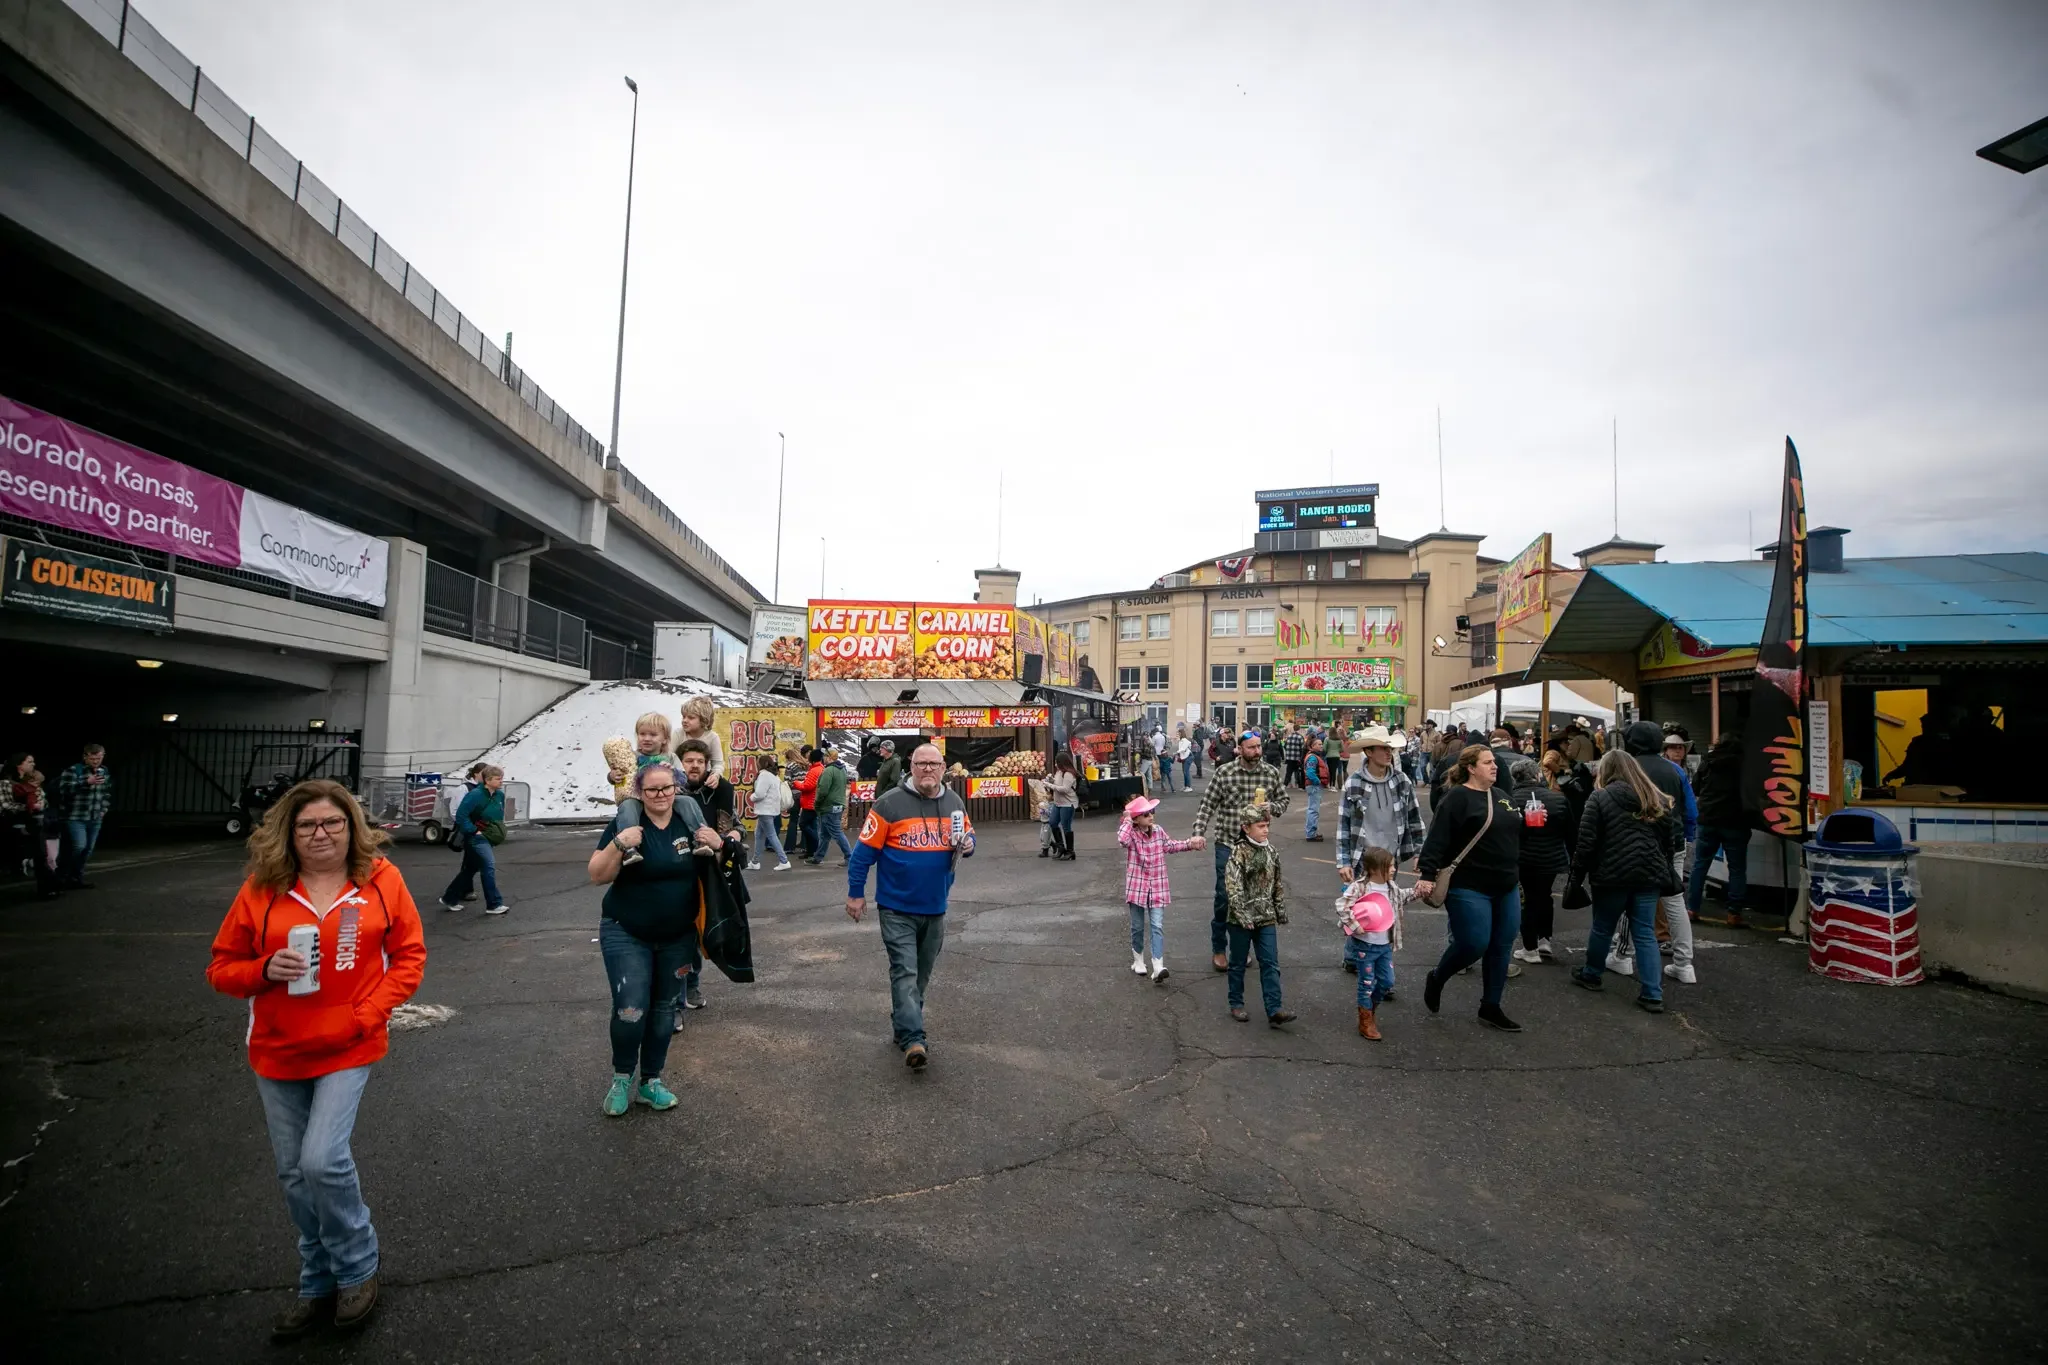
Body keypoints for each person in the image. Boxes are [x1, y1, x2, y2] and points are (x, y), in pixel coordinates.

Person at [206, 779, 426, 1338]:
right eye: (307, 825)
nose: (321, 833)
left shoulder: (380, 881)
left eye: (332, 822)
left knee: (322, 1161)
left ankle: (357, 1267)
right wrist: (261, 971)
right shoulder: (262, 888)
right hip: (278, 1047)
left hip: (349, 1042)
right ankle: (316, 1279)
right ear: (289, 833)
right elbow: (221, 968)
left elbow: (409, 958)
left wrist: (366, 1014)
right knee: (294, 1173)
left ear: (351, 827)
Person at [588, 761, 724, 1114]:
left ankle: (651, 1082)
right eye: (652, 790)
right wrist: (620, 844)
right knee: (631, 1008)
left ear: (676, 788)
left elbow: (720, 869)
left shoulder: (688, 822)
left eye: (667, 788)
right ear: (640, 793)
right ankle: (621, 1079)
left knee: (664, 1010)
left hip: (678, 935)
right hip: (625, 930)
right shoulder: (628, 823)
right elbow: (597, 875)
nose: (661, 795)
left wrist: (720, 843)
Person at [846, 744, 975, 1070]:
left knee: (920, 976)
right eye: (921, 764)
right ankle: (914, 1039)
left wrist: (970, 844)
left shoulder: (954, 803)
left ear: (943, 767)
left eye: (933, 763)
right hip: (896, 907)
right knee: (905, 970)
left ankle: (903, 1024)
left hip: (936, 907)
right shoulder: (888, 804)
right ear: (911, 767)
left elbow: (967, 840)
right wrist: (855, 893)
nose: (927, 769)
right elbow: (862, 854)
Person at [1413, 745, 1524, 1032]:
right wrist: (1427, 873)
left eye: (1495, 762)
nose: (1494, 766)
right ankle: (1437, 978)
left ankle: (1491, 1006)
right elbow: (1437, 838)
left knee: (1501, 946)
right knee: (1474, 943)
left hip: (1506, 884)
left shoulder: (1502, 797)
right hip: (1469, 885)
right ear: (1471, 768)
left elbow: (1512, 833)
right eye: (1487, 762)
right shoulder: (1457, 797)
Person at [1568, 750, 1682, 1013]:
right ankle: (1652, 993)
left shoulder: (1600, 797)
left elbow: (1586, 842)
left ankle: (1592, 973)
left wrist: (1577, 875)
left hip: (1611, 875)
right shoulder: (1657, 799)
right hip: (1648, 875)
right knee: (1645, 933)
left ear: (1606, 771)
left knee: (1602, 926)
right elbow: (1671, 842)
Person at [1190, 731, 1290, 973]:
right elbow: (1207, 805)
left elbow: (1284, 801)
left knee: (1251, 899)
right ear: (1239, 749)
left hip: (1257, 847)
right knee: (1225, 897)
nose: (1257, 752)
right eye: (1251, 748)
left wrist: (1272, 807)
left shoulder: (1270, 773)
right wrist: (1198, 832)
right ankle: (1219, 949)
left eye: (1258, 747)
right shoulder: (1225, 773)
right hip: (1228, 844)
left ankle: (1240, 950)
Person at [1615, 722, 1697, 984]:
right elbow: (1691, 810)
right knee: (1675, 902)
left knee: (1632, 898)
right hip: (1673, 842)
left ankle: (1623, 956)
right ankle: (1684, 965)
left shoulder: (1627, 769)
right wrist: (1687, 835)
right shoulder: (1674, 770)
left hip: (1636, 843)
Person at [675, 738, 749, 1015]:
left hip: (708, 876)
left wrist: (731, 835)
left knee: (699, 937)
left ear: (707, 765)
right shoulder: (668, 789)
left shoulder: (717, 791)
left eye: (699, 762)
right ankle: (675, 998)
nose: (694, 766)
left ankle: (691, 985)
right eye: (689, 761)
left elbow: (737, 825)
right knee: (679, 939)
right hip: (675, 875)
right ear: (679, 763)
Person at [1117, 793, 1205, 982]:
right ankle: (1138, 960)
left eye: (1152, 812)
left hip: (1157, 887)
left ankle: (1158, 966)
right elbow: (1122, 840)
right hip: (1137, 888)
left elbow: (1170, 846)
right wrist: (1126, 819)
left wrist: (1190, 843)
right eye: (1146, 814)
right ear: (1137, 818)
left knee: (1157, 926)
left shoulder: (1158, 831)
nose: (1151, 816)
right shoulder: (1131, 833)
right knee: (1138, 927)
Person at [1222, 803, 1294, 1026]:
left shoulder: (1271, 851)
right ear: (1246, 828)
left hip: (1266, 918)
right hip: (1241, 921)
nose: (1266, 830)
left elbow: (1277, 884)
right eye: (1260, 826)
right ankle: (1236, 1004)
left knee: (1270, 962)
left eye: (1267, 825)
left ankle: (1275, 1009)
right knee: (1237, 963)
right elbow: (1233, 887)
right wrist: (1243, 916)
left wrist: (1280, 911)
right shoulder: (1238, 853)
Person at [1508, 758, 1576, 965]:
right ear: (1537, 775)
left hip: (1522, 858)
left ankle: (1530, 948)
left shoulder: (1509, 799)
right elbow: (1571, 833)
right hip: (1552, 857)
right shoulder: (1558, 799)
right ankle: (1545, 939)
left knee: (1527, 900)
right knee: (1544, 896)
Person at [1339, 847, 1407, 1040]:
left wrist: (1419, 891)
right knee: (1366, 984)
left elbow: (1403, 896)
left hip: (1385, 945)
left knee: (1387, 981)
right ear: (1376, 869)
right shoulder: (1360, 887)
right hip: (1364, 947)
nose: (1394, 869)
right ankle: (1365, 1021)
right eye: (1390, 865)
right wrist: (1354, 924)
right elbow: (1341, 906)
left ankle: (1370, 1008)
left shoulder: (1391, 887)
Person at [1687, 733, 1751, 927]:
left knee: (1700, 865)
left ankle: (1692, 909)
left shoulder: (1708, 761)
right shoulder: (1744, 765)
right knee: (1737, 868)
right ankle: (1734, 914)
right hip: (1736, 822)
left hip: (1708, 819)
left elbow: (1695, 788)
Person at [437, 765, 511, 915]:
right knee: (488, 867)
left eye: (501, 778)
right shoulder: (475, 795)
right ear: (488, 780)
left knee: (470, 869)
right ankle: (494, 904)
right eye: (498, 779)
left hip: (489, 835)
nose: (501, 781)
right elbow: (461, 815)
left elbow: (498, 814)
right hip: (476, 837)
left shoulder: (499, 795)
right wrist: (473, 830)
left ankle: (449, 898)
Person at [54, 742, 112, 888]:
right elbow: (64, 790)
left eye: (99, 758)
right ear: (85, 757)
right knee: (78, 846)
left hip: (95, 816)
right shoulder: (73, 770)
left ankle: (76, 877)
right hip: (76, 816)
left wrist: (104, 808)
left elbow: (106, 792)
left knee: (87, 850)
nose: (96, 761)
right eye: (93, 758)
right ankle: (62, 875)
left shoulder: (103, 771)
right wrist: (86, 782)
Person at [4, 752, 61, 899]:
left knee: (42, 856)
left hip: (35, 823)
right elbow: (4, 805)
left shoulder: (32, 780)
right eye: (29, 761)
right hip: (14, 824)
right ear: (19, 764)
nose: (33, 764)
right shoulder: (6, 783)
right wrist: (28, 807)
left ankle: (47, 889)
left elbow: (43, 798)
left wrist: (41, 804)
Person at [807, 748, 854, 866]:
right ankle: (818, 857)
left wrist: (817, 804)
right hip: (839, 803)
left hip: (828, 806)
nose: (823, 758)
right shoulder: (842, 769)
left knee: (836, 833)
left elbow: (822, 790)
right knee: (825, 834)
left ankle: (850, 857)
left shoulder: (828, 771)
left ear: (829, 757)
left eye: (825, 756)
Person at [748, 756, 792, 873]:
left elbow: (760, 794)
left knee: (771, 835)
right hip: (771, 809)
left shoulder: (764, 775)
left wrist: (752, 797)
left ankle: (784, 861)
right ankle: (755, 861)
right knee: (759, 835)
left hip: (764, 810)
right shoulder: (774, 775)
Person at [675, 696, 725, 783]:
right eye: (684, 717)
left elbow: (718, 764)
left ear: (703, 720)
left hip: (703, 777)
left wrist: (715, 776)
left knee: (726, 786)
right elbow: (667, 758)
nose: (685, 720)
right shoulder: (678, 734)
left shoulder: (713, 737)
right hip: (679, 776)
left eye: (691, 718)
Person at [1044, 751, 1081, 860]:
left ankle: (1070, 851)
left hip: (1068, 804)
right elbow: (1058, 784)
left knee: (1066, 826)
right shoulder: (1059, 772)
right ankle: (1060, 847)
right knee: (1053, 822)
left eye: (1057, 762)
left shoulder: (1069, 774)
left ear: (1062, 762)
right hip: (1058, 803)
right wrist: (1051, 780)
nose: (1055, 764)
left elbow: (1065, 789)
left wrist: (1049, 785)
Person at [790, 747, 824, 862]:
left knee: (803, 824)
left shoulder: (814, 771)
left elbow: (807, 786)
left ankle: (816, 845)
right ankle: (811, 851)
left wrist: (795, 783)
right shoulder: (819, 768)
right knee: (811, 825)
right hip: (814, 802)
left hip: (810, 803)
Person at [1301, 738, 1328, 842]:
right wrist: (1318, 782)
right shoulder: (1313, 758)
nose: (1321, 746)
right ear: (1312, 746)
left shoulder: (1313, 756)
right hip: (1314, 786)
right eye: (1319, 744)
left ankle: (1311, 832)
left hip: (1312, 785)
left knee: (1313, 809)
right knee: (1313, 810)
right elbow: (1310, 772)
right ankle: (1311, 834)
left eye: (1321, 744)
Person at [1282, 725, 1306, 790]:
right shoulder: (1300, 737)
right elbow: (1303, 748)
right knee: (1298, 772)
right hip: (1297, 758)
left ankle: (1285, 784)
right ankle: (1300, 786)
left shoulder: (1289, 736)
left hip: (1289, 757)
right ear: (1299, 729)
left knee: (1288, 772)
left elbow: (1285, 746)